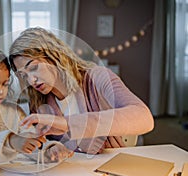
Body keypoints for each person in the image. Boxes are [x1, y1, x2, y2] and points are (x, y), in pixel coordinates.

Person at [9, 27, 154, 154]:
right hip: (74, 172)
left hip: (111, 164)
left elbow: (144, 118)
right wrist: (52, 148)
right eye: (24, 75)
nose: (31, 80)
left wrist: (66, 123)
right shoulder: (38, 101)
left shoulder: (97, 77)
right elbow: (45, 144)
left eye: (33, 68)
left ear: (54, 56)